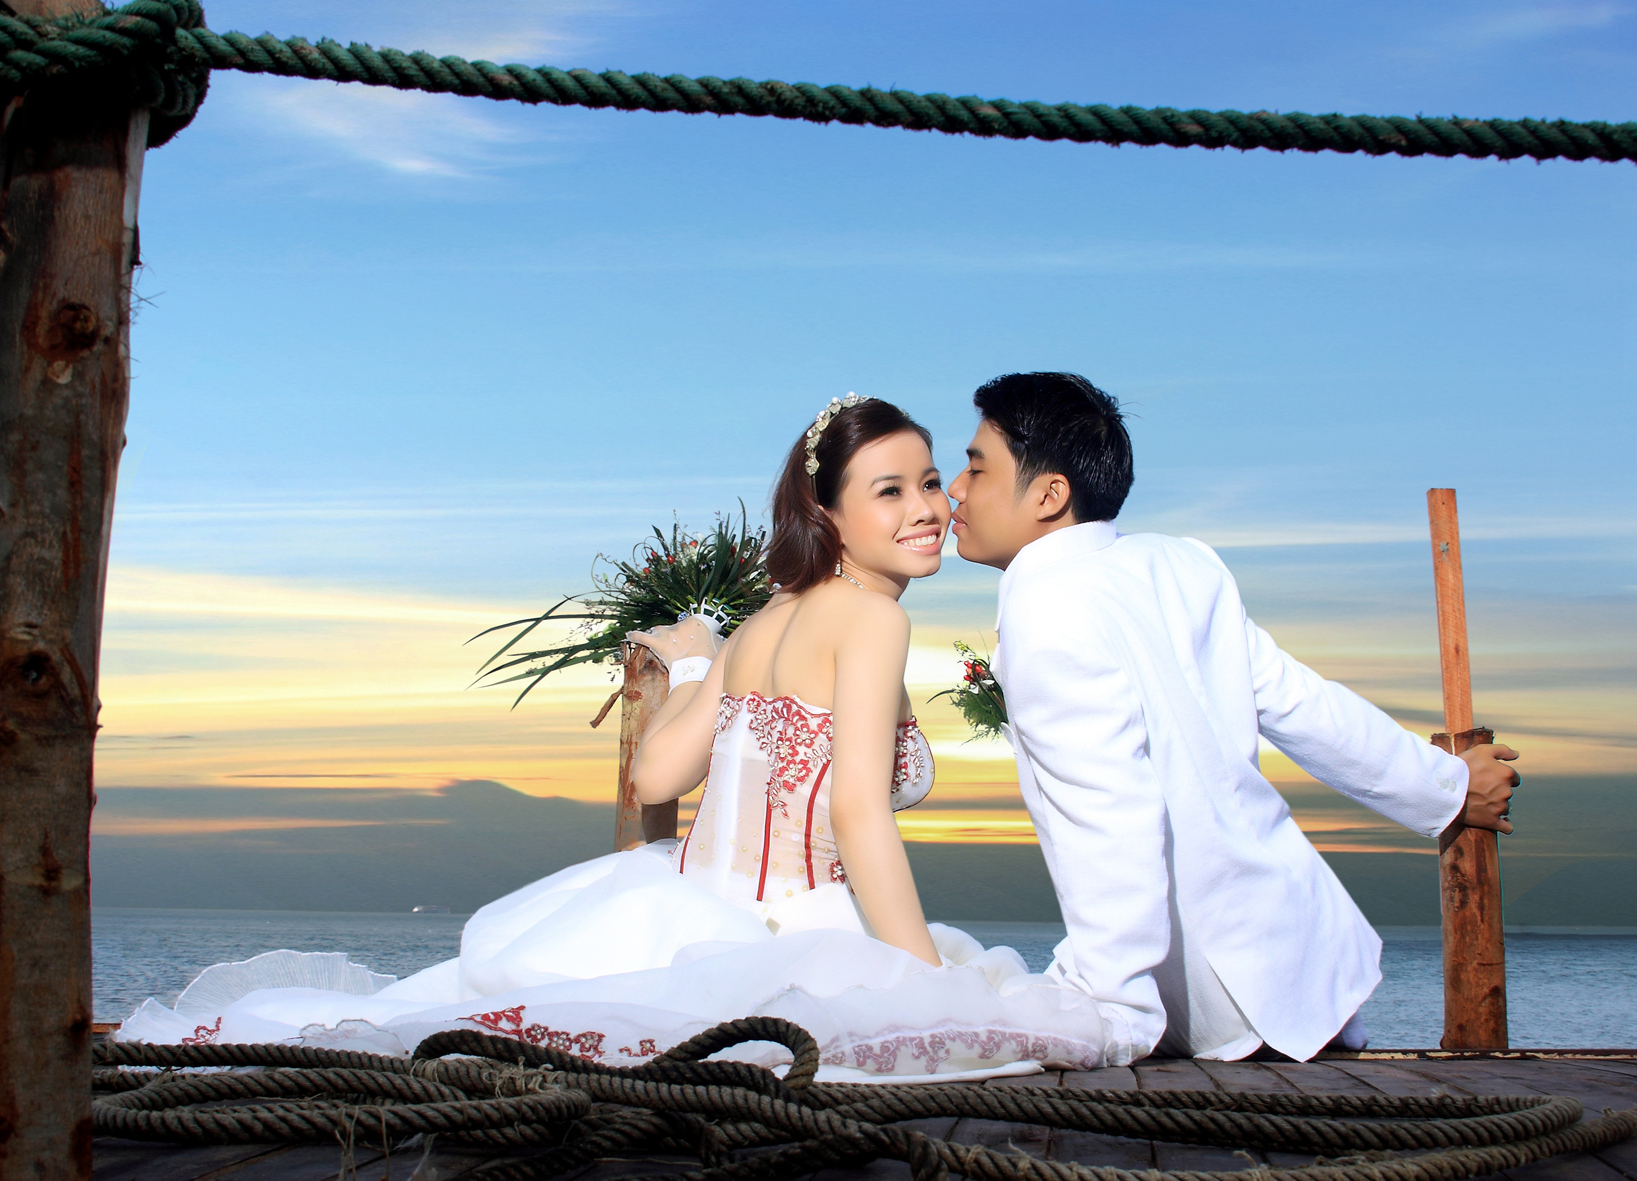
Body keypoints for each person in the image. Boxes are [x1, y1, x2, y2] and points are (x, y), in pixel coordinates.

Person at [114, 394, 1110, 1083]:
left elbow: (656, 773)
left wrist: (696, 666)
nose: (930, 507)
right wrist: (926, 985)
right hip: (791, 929)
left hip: (691, 908)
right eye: (890, 490)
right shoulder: (872, 620)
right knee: (977, 1015)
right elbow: (856, 808)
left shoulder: (764, 623)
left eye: (931, 480)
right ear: (828, 511)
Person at [945, 372, 1520, 1064]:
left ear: (1049, 494)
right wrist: (1447, 786)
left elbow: (1110, 817)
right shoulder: (1180, 562)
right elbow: (1301, 703)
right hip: (1308, 966)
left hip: (1213, 1001)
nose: (955, 488)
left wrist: (1113, 1006)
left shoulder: (1043, 608)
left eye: (977, 467)